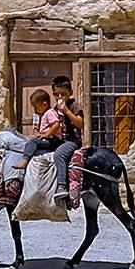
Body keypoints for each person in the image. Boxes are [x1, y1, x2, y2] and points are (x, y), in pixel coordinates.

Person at [0, 89, 65, 205]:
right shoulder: (43, 115)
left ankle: (24, 161)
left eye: (36, 107)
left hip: (53, 140)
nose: (34, 110)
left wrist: (46, 135)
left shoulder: (49, 113)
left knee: (32, 143)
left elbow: (56, 125)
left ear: (44, 104)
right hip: (49, 139)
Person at [49, 75, 86, 209]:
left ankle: (62, 187)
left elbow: (80, 123)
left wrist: (67, 112)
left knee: (59, 155)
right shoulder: (55, 109)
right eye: (56, 94)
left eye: (63, 94)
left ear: (70, 93)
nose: (60, 97)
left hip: (72, 140)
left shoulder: (74, 106)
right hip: (59, 140)